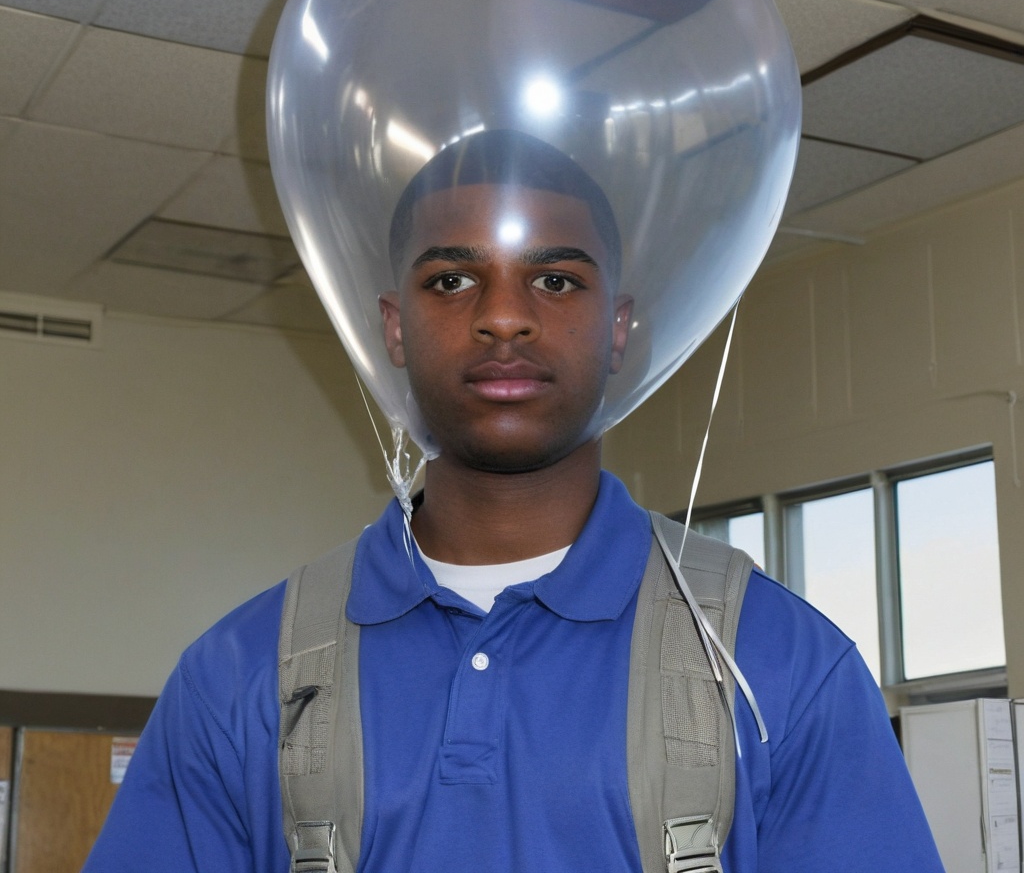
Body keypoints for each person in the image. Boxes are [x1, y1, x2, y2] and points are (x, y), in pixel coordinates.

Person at [84, 132, 944, 873]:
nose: (504, 317)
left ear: (617, 328)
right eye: (452, 281)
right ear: (393, 327)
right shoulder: (238, 678)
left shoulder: (781, 666)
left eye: (556, 281)